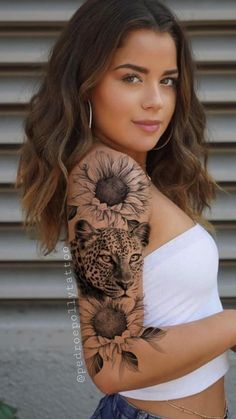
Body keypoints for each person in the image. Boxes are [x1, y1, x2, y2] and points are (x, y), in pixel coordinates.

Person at [15, 0, 236, 418]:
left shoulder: (131, 173)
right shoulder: (108, 177)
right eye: (131, 77)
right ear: (86, 84)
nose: (156, 100)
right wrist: (232, 324)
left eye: (168, 80)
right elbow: (110, 363)